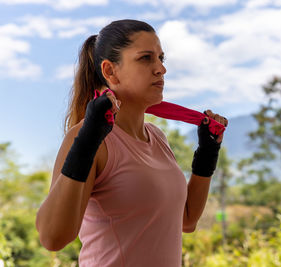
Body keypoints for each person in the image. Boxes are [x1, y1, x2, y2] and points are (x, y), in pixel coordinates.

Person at [35, 19, 228, 267]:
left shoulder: (157, 137)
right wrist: (86, 143)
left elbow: (186, 221)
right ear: (110, 71)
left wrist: (206, 156)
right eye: (146, 58)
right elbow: (52, 238)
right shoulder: (87, 137)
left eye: (161, 58)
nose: (161, 69)